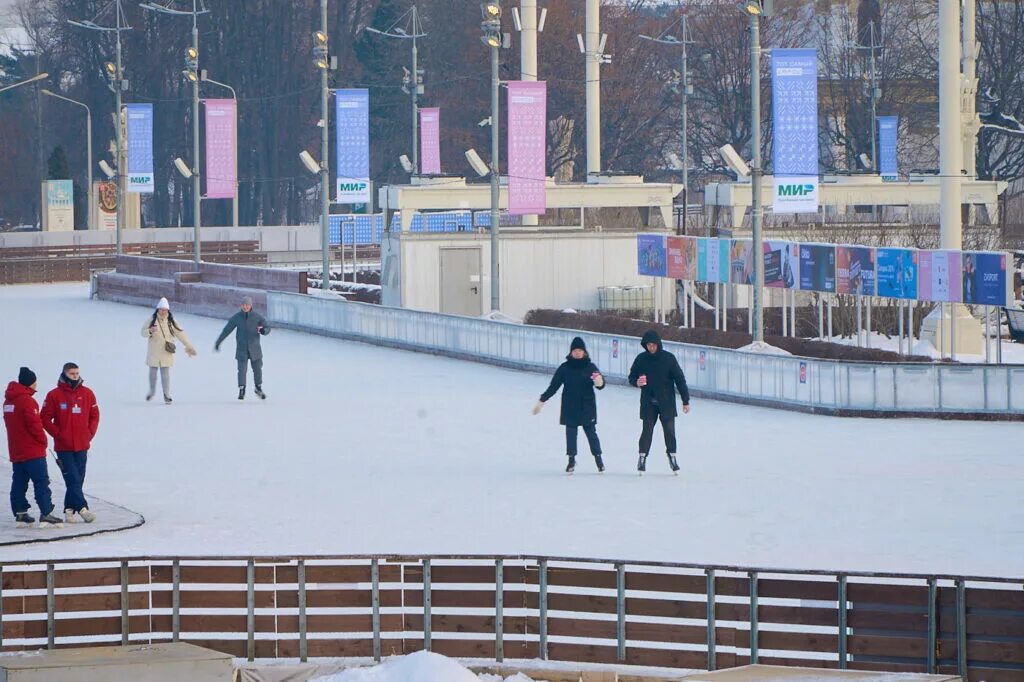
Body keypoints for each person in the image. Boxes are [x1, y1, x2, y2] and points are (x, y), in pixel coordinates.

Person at [532, 337, 606, 474]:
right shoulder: (565, 368)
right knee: (571, 434)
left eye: (580, 350)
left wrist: (599, 382)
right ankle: (571, 460)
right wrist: (542, 400)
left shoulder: (590, 367)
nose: (577, 353)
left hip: (587, 406)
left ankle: (598, 459)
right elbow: (554, 386)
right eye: (575, 350)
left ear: (584, 352)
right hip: (570, 406)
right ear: (571, 352)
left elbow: (600, 384)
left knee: (591, 433)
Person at [40, 362, 100, 524]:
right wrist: (58, 434)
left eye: (77, 373)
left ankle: (69, 509)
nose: (75, 376)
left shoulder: (87, 393)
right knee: (72, 477)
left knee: (78, 478)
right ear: (65, 374)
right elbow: (44, 417)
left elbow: (94, 415)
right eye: (72, 373)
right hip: (64, 446)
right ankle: (83, 508)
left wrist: (89, 434)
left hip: (82, 444)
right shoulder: (54, 395)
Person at [4, 367, 63, 528]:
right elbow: (34, 425)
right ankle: (46, 512)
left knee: (19, 481)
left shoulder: (8, 401)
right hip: (33, 451)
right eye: (35, 382)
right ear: (30, 383)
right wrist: (43, 440)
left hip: (16, 450)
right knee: (41, 481)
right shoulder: (27, 401)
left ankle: (20, 511)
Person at [628, 330, 691, 475]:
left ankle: (672, 456)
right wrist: (636, 382)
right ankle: (642, 457)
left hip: (666, 402)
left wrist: (685, 400)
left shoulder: (668, 359)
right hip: (648, 402)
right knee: (647, 431)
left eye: (653, 345)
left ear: (658, 344)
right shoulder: (641, 359)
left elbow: (680, 379)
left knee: (669, 432)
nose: (651, 348)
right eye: (648, 345)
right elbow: (632, 376)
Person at [142, 297, 198, 404]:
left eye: (165, 310)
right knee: (153, 373)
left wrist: (189, 346)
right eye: (161, 309)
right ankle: (152, 391)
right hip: (154, 352)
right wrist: (150, 331)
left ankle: (167, 395)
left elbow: (180, 334)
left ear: (168, 310)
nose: (163, 312)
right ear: (158, 309)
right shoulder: (152, 320)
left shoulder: (171, 321)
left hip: (166, 351)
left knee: (165, 374)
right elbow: (142, 332)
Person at [215, 296, 271, 400]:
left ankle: (258, 388)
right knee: (242, 370)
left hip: (255, 348)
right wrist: (218, 342)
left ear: (251, 306)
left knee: (257, 369)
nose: (245, 307)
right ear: (241, 305)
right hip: (242, 349)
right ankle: (242, 389)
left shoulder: (256, 317)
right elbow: (226, 330)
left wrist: (263, 331)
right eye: (244, 305)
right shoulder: (237, 317)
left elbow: (267, 327)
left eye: (247, 305)